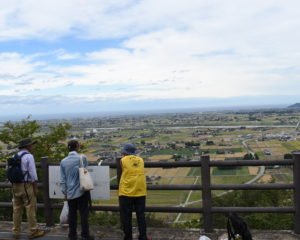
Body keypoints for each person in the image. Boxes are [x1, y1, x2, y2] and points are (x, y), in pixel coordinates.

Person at [60, 140, 94, 240]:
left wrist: (65, 192)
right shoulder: (82, 157)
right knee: (84, 214)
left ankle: (72, 235)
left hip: (70, 192)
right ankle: (85, 235)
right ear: (77, 147)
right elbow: (85, 169)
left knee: (72, 215)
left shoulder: (63, 161)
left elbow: (63, 179)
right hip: (82, 190)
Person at [12, 138, 45, 239]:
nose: (32, 147)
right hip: (26, 185)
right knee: (30, 207)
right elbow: (33, 174)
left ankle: (16, 232)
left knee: (16, 209)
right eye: (31, 145)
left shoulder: (14, 155)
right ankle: (33, 231)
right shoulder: (29, 156)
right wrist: (35, 187)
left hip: (14, 185)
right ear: (27, 147)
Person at [118, 143, 151, 240]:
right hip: (140, 190)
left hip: (126, 191)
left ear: (125, 152)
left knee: (126, 216)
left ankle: (128, 237)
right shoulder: (141, 160)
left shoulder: (122, 160)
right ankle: (143, 236)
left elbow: (122, 170)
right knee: (141, 215)